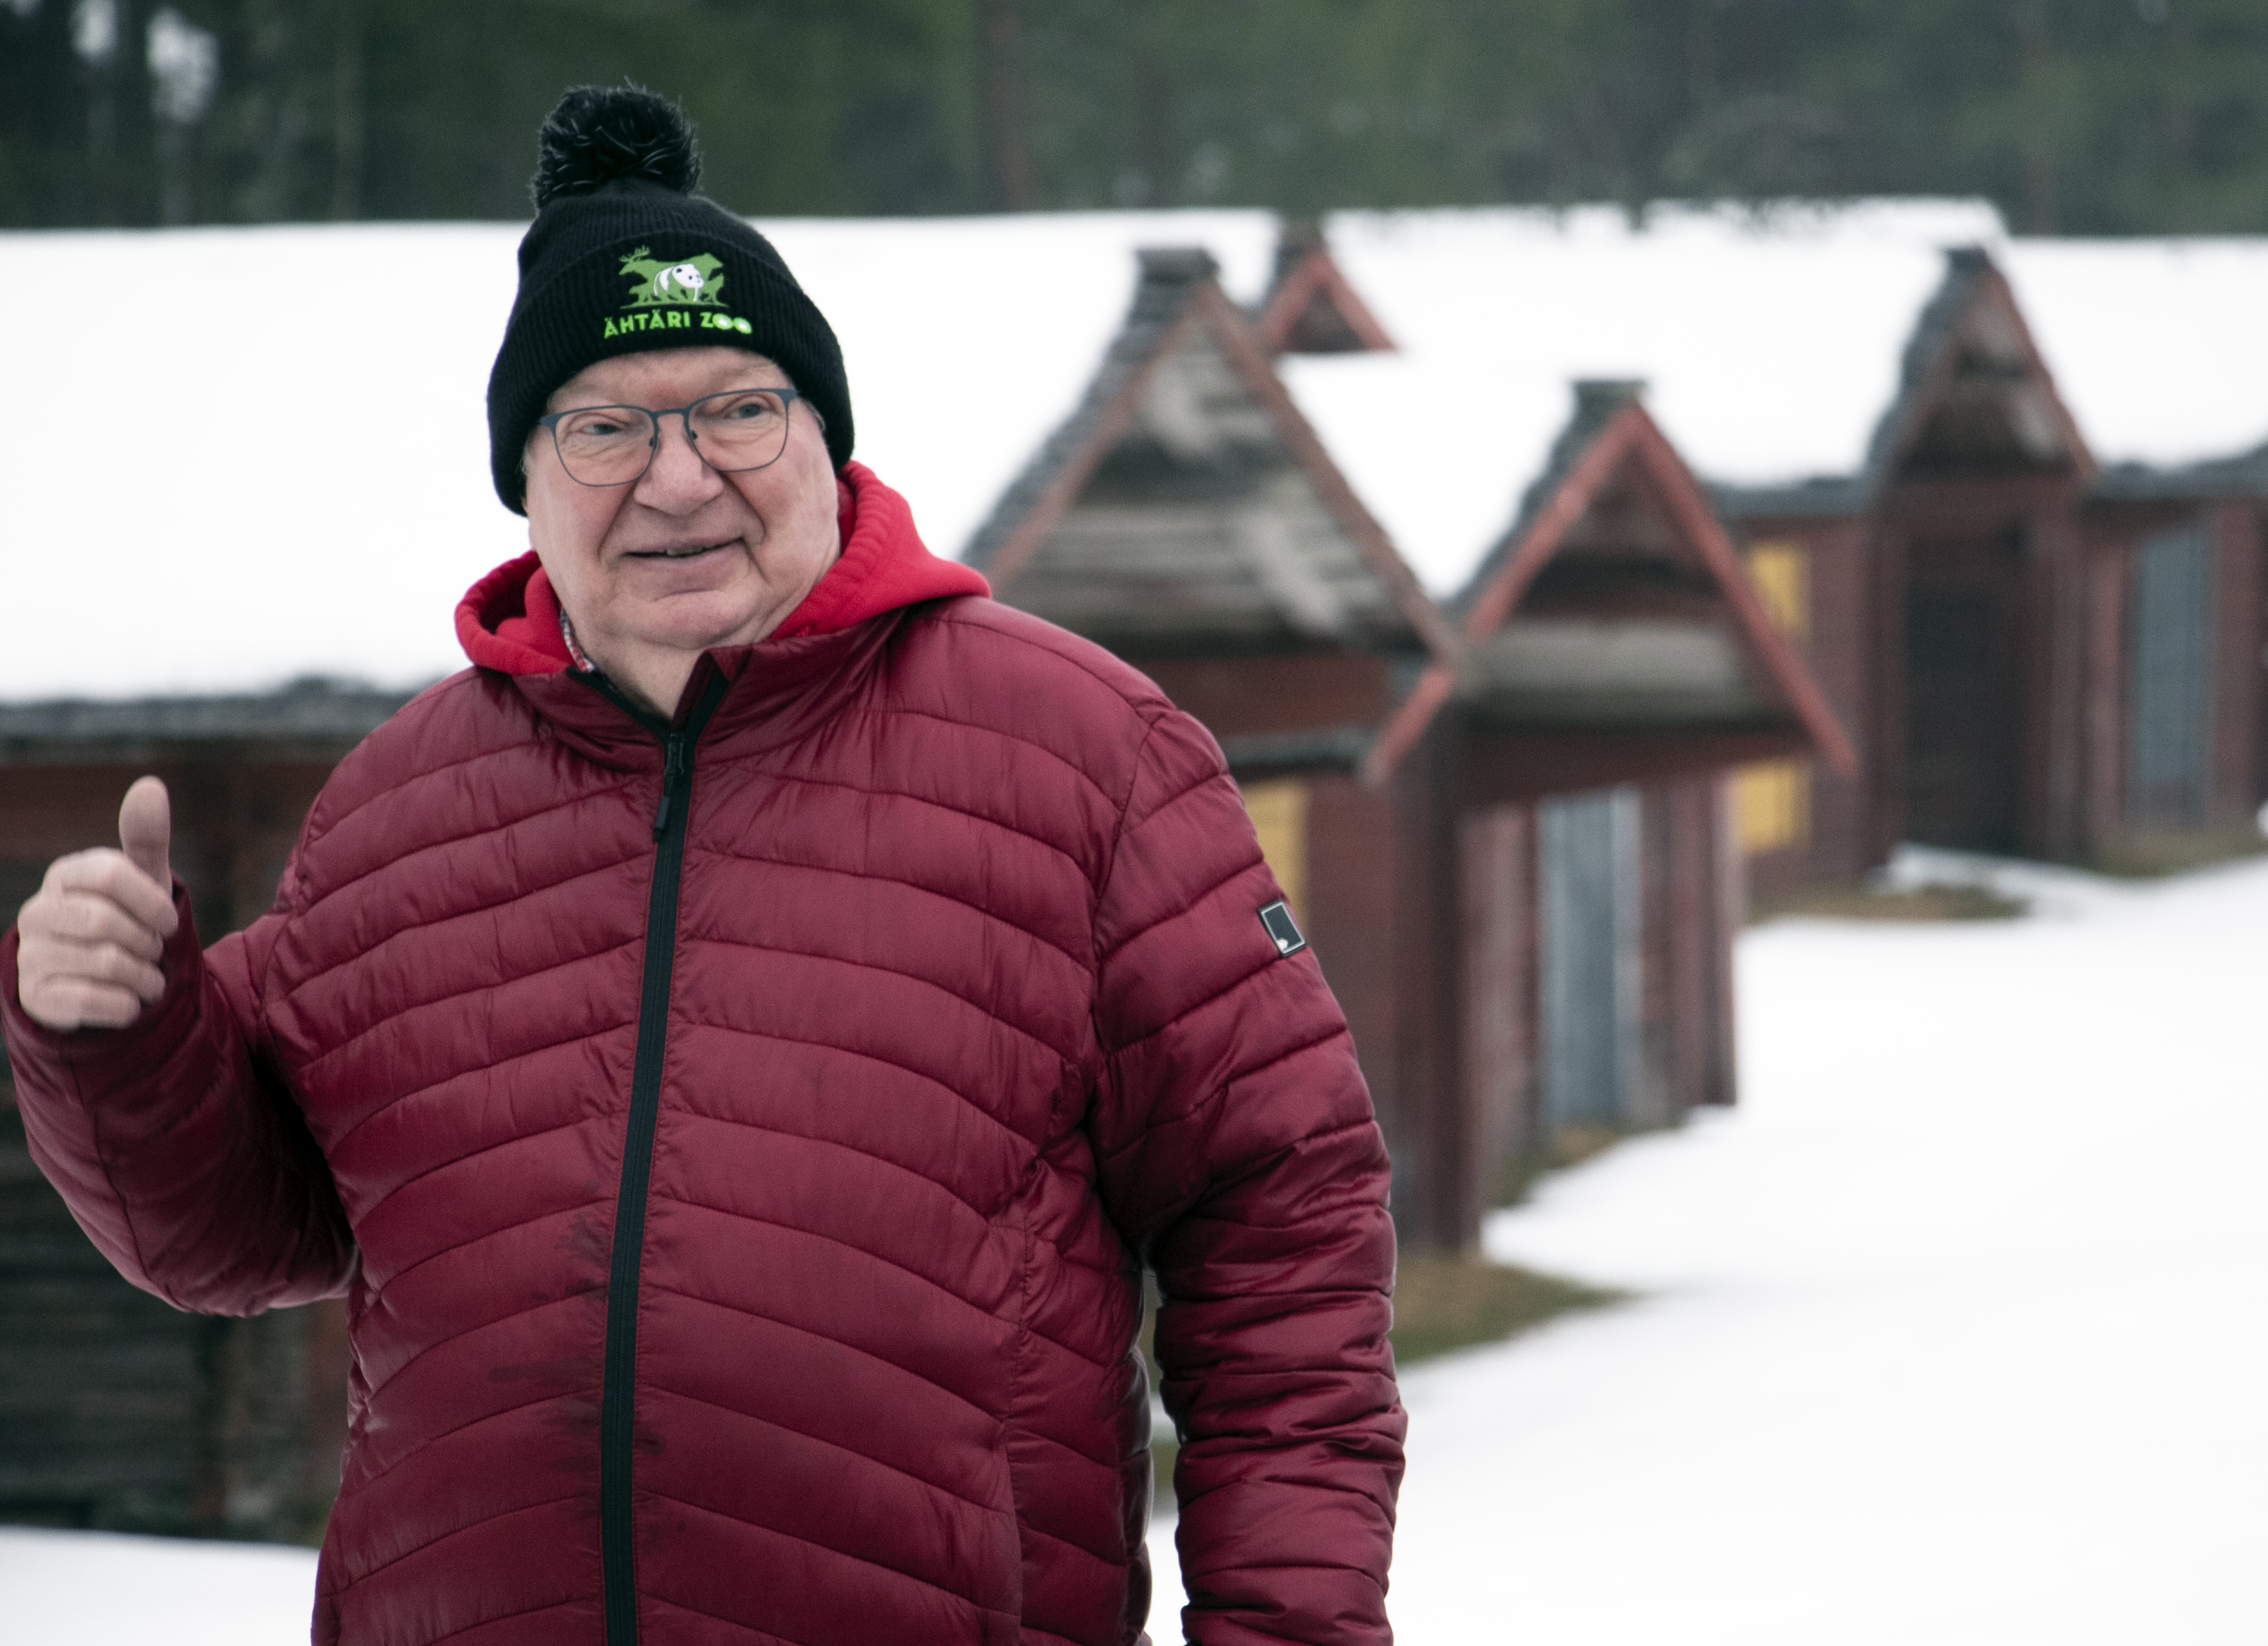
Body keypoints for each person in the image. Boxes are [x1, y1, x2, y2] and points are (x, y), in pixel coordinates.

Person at [4, 87, 1403, 1646]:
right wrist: (117, 1039)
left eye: (737, 409)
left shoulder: (1085, 757)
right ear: (527, 483)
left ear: (826, 440)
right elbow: (229, 1235)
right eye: (604, 427)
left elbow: (1283, 1238)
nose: (678, 479)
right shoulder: (392, 813)